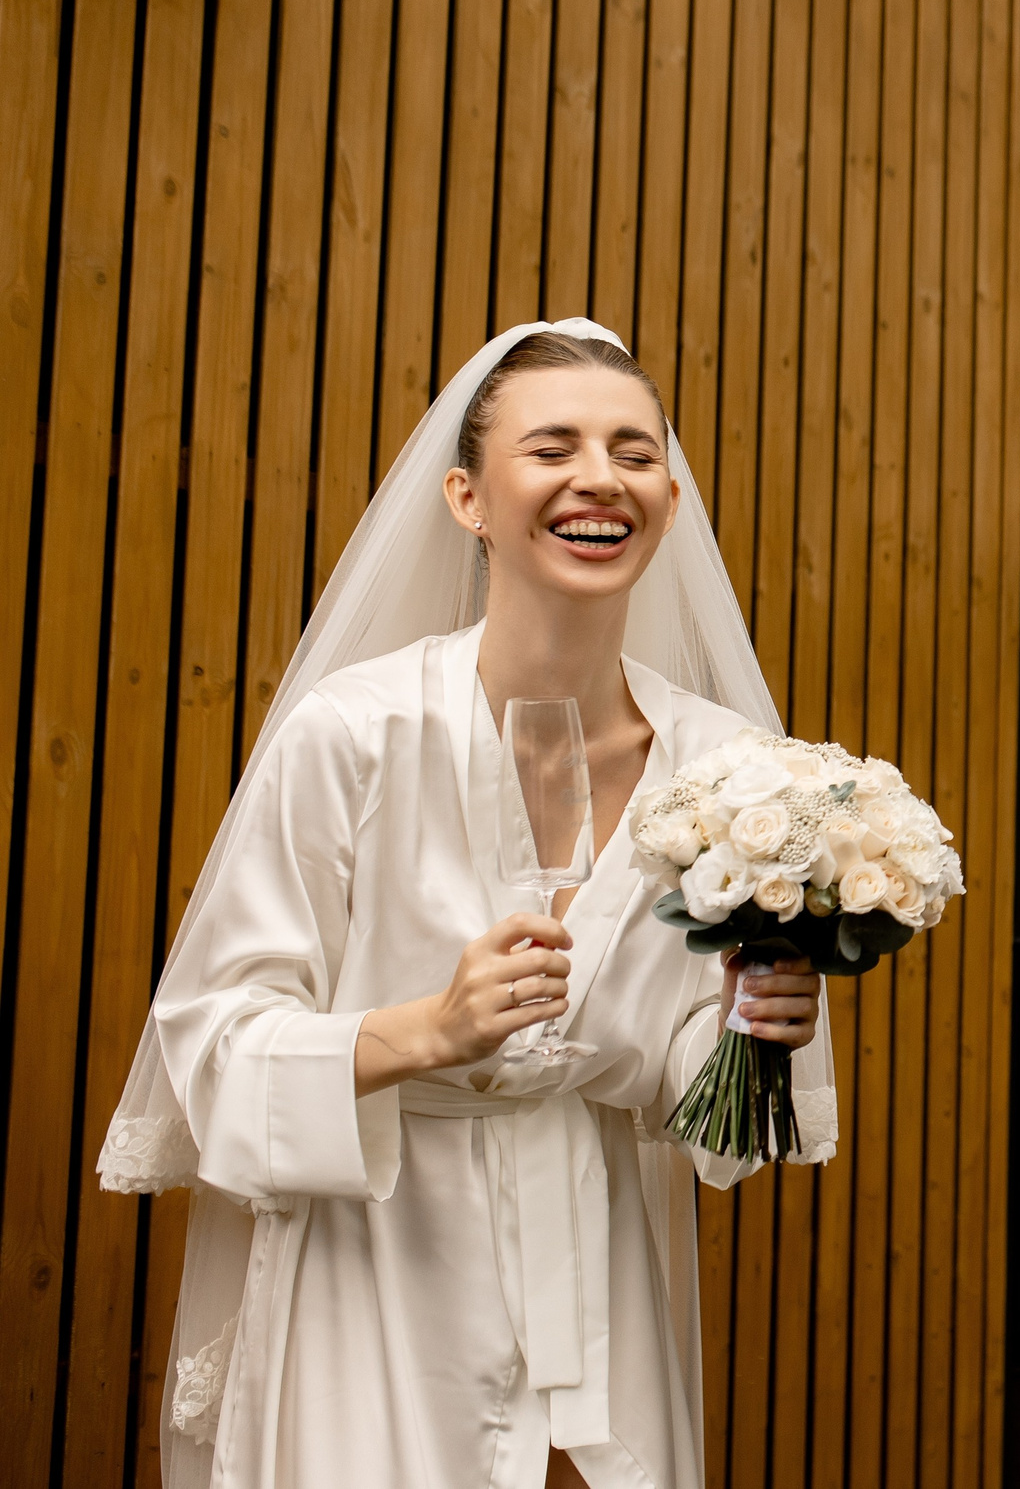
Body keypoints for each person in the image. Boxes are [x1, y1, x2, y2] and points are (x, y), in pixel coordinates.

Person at [97, 321, 835, 1489]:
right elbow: (210, 1047)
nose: (601, 477)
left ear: (670, 499)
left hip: (603, 1297)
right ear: (468, 498)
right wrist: (424, 1032)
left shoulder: (734, 772)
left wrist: (752, 1030)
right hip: (375, 1285)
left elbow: (718, 1126)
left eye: (635, 452)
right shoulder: (355, 733)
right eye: (554, 447)